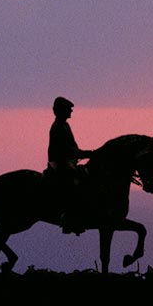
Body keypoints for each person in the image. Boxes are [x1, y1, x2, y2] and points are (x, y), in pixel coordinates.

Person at [46, 96, 93, 234]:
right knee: (73, 184)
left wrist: (84, 153)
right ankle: (68, 217)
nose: (71, 112)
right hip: (60, 162)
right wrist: (86, 154)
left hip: (67, 161)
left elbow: (72, 147)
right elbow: (67, 149)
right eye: (68, 109)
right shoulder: (58, 127)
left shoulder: (64, 125)